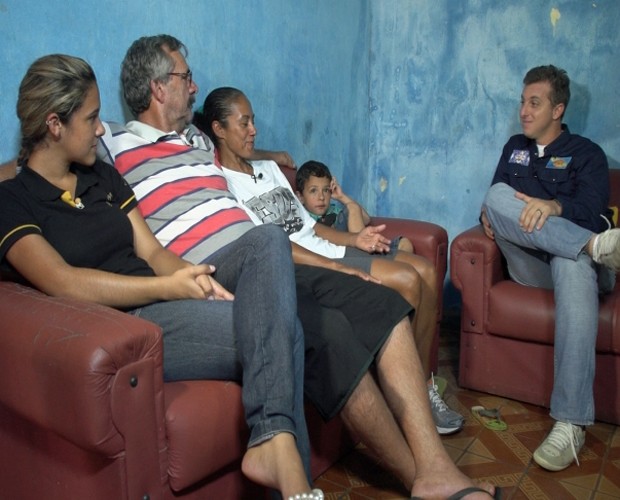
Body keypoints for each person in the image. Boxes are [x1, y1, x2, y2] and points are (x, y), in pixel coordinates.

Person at [99, 35, 498, 499]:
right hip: (215, 265)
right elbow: (40, 158)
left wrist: (276, 160)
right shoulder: (113, 140)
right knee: (323, 325)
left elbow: (245, 153)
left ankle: (436, 467)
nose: (194, 86)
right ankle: (421, 482)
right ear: (157, 88)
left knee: (384, 304)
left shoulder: (196, 139)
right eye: (185, 77)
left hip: (266, 258)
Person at [0, 53, 322, 500]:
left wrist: (195, 278)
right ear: (55, 124)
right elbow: (63, 282)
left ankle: (274, 447)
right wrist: (166, 288)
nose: (100, 129)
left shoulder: (102, 178)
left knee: (268, 239)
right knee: (282, 331)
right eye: (92, 118)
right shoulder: (13, 201)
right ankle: (291, 478)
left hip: (167, 300)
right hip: (132, 325)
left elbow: (151, 251)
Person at [195, 86, 464, 435]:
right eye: (243, 123)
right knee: (410, 281)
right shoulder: (221, 184)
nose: (253, 130)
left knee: (427, 270)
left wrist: (356, 240)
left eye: (253, 121)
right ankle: (403, 403)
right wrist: (338, 266)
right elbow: (276, 246)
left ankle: (423, 391)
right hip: (308, 266)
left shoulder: (270, 170)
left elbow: (312, 229)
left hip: (326, 249)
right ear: (218, 128)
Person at [480, 64, 620, 472]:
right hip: (530, 264)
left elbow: (595, 213)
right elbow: (497, 201)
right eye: (523, 101)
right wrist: (491, 213)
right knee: (496, 194)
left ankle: (570, 422)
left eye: (534, 103)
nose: (524, 110)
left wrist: (554, 207)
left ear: (557, 109)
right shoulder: (513, 148)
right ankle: (597, 249)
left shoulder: (587, 154)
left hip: (574, 269)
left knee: (572, 262)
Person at [295, 160, 414, 253]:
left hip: (362, 243)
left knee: (405, 243)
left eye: (326, 190)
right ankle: (368, 256)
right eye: (313, 191)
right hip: (342, 249)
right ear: (300, 197)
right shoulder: (303, 218)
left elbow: (366, 219)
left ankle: (387, 268)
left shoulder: (335, 210)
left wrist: (341, 197)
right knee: (352, 208)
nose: (321, 197)